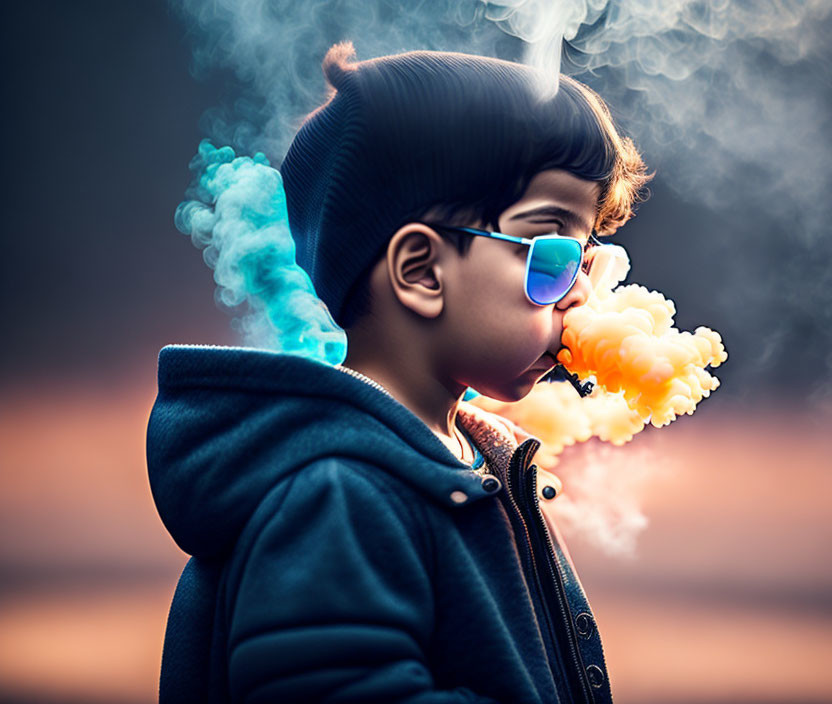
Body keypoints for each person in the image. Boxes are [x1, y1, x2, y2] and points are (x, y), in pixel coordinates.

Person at [148, 41, 648, 703]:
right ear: (420, 271)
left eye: (589, 261)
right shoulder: (341, 494)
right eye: (553, 255)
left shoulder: (469, 461)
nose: (580, 294)